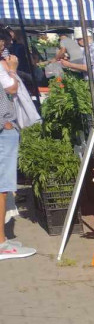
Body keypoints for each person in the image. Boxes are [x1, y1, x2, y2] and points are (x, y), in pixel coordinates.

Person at [0, 35, 35, 261]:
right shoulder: (3, 66)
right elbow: (11, 89)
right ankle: (1, 242)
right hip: (3, 129)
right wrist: (12, 69)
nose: (3, 45)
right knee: (2, 187)